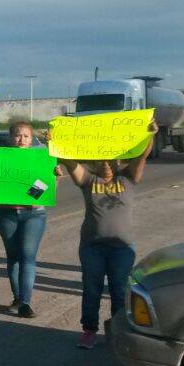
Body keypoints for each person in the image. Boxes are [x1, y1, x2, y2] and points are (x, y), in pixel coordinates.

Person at [59, 120, 157, 349]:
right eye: (100, 159)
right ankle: (89, 330)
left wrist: (150, 135)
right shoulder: (87, 181)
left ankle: (118, 332)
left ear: (118, 159)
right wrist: (55, 142)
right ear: (94, 161)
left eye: (109, 158)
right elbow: (67, 160)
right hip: (92, 246)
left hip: (121, 247)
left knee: (118, 290)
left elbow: (141, 156)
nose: (105, 163)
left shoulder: (128, 179)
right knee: (91, 288)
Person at [0, 122, 60, 318]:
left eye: (25, 136)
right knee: (13, 257)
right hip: (7, 214)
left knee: (28, 256)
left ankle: (25, 302)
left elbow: (46, 186)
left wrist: (53, 177)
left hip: (34, 214)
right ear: (10, 138)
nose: (21, 139)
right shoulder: (0, 159)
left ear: (32, 139)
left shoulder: (40, 158)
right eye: (17, 135)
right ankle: (17, 297)